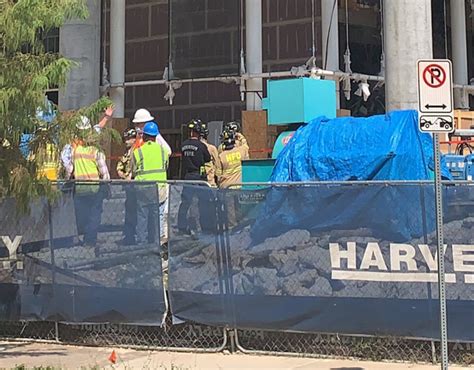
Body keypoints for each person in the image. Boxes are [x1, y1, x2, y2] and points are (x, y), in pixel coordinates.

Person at [61, 115, 110, 252]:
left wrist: (66, 182)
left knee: (81, 214)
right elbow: (104, 171)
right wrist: (107, 185)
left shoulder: (75, 150)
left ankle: (81, 237)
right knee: (94, 215)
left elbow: (70, 169)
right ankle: (90, 241)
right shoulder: (96, 150)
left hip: (80, 187)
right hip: (94, 187)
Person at [131, 122, 169, 245]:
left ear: (144, 136)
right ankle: (157, 242)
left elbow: (133, 169)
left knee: (142, 215)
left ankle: (141, 244)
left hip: (143, 187)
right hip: (160, 187)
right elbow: (166, 166)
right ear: (155, 136)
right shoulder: (163, 151)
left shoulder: (138, 152)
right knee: (157, 215)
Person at [177, 119, 211, 234]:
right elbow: (208, 158)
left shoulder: (183, 145)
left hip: (188, 176)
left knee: (185, 202)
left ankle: (181, 226)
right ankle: (206, 226)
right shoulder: (201, 146)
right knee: (204, 202)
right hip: (199, 177)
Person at [116, 128, 137, 245]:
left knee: (134, 212)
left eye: (128, 139)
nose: (126, 141)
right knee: (129, 211)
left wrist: (130, 176)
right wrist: (121, 173)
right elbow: (120, 165)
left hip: (135, 185)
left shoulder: (137, 150)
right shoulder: (127, 151)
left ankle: (132, 237)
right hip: (128, 186)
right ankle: (128, 237)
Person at [198, 121, 219, 187]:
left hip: (198, 180)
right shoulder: (212, 148)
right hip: (210, 181)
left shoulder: (196, 147)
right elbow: (217, 164)